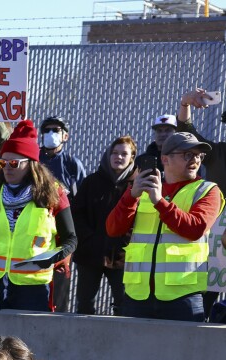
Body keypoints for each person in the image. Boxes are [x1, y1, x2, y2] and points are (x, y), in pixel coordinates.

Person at [0, 120, 76, 313]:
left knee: (25, 342)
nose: (7, 167)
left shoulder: (54, 195)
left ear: (31, 164)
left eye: (14, 163)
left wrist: (52, 258)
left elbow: (71, 239)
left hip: (32, 287)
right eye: (3, 162)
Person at [105, 131, 222, 322]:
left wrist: (159, 202)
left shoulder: (207, 190)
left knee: (182, 353)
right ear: (165, 159)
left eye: (199, 155)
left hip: (183, 297)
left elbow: (195, 228)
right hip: (137, 297)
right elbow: (113, 229)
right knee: (134, 352)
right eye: (187, 154)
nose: (195, 160)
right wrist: (130, 196)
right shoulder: (141, 188)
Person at [73, 136, 136, 315]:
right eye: (115, 153)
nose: (119, 157)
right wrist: (89, 238)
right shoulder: (91, 182)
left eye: (124, 154)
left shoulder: (137, 184)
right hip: (90, 253)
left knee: (124, 303)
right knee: (85, 303)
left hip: (123, 255)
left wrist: (125, 241)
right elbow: (77, 213)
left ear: (132, 157)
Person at [37, 116, 86, 196]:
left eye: (56, 130)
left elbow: (83, 193)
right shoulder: (34, 160)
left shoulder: (72, 163)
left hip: (65, 207)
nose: (51, 133)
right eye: (47, 130)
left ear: (65, 136)